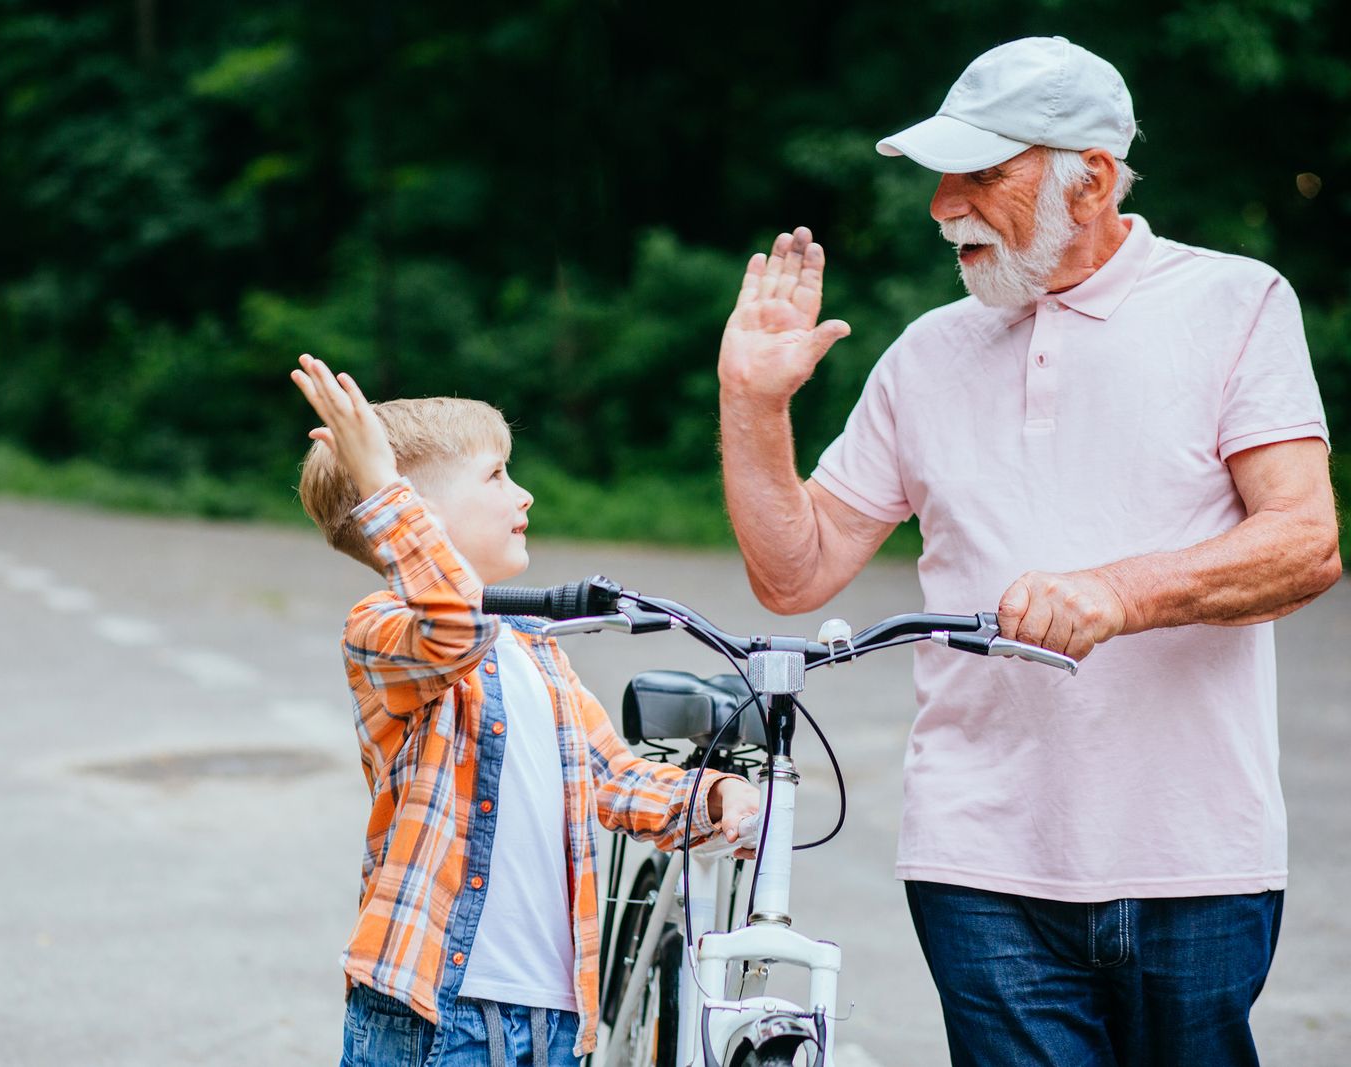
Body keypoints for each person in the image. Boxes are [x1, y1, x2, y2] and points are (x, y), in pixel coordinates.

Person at [716, 35, 1340, 1067]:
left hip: (1196, 850)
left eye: (981, 174)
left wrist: (1114, 593)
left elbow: (1304, 540)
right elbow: (796, 570)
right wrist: (752, 404)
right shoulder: (926, 352)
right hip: (978, 855)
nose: (940, 204)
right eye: (940, 175)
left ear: (1089, 178)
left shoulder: (1235, 304)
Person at [290, 353, 761, 1067]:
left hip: (554, 1019)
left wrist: (712, 795)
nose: (525, 494)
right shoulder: (382, 629)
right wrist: (382, 481)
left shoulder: (537, 650)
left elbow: (613, 776)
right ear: (418, 511)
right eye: (496, 475)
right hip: (434, 1012)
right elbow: (452, 624)